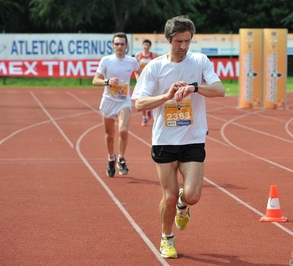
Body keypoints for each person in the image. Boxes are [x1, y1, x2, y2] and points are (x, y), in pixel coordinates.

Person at [131, 15, 225, 259]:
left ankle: (184, 207)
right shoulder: (155, 67)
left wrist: (194, 87)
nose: (183, 46)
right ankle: (167, 238)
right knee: (169, 196)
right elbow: (139, 103)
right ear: (168, 40)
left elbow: (220, 90)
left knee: (191, 195)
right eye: (178, 41)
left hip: (193, 138)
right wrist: (166, 96)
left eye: (187, 41)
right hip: (164, 140)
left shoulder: (200, 61)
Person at [92, 32, 139, 177]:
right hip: (108, 101)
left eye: (122, 44)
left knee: (123, 130)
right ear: (113, 46)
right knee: (109, 134)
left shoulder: (132, 61)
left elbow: (139, 73)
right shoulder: (106, 61)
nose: (119, 46)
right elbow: (95, 80)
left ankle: (121, 159)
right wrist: (107, 81)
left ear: (127, 46)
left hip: (124, 100)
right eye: (117, 44)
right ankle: (111, 158)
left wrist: (140, 86)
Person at [134, 39, 159, 127]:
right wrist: (138, 80)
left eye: (148, 45)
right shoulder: (138, 55)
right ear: (142, 46)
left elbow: (158, 67)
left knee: (152, 98)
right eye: (145, 45)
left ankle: (149, 111)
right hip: (142, 81)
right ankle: (144, 116)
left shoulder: (154, 55)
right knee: (141, 99)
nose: (146, 47)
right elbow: (136, 70)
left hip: (152, 80)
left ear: (150, 46)